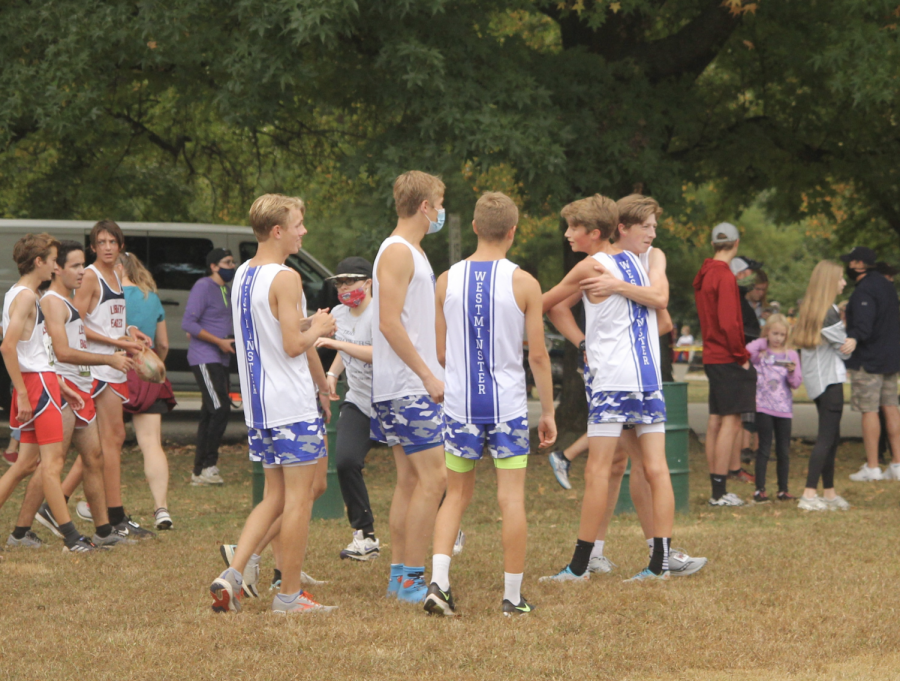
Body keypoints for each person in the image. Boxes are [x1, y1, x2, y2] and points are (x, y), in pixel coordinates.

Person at [545, 194, 706, 578]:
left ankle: (580, 566)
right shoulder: (639, 261)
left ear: (596, 232)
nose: (567, 234)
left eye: (572, 228)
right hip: (647, 377)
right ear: (622, 229)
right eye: (646, 226)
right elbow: (662, 314)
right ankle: (660, 565)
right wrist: (586, 340)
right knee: (656, 468)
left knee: (598, 471)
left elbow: (540, 303)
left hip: (613, 380)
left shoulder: (590, 266)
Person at [423, 192, 556, 617]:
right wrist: (549, 411)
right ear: (513, 232)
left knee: (455, 497)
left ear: (476, 228)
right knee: (510, 499)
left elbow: (441, 352)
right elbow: (537, 355)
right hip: (508, 409)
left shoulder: (446, 280)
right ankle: (512, 597)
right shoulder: (525, 283)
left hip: (461, 407)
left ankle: (439, 585)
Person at [209, 193, 337, 615]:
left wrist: (321, 379)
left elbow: (271, 331)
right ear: (278, 230)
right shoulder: (286, 278)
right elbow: (292, 343)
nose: (304, 231)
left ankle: (234, 573)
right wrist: (317, 325)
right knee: (299, 501)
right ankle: (289, 595)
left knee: (273, 498)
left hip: (260, 407)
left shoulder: (243, 273)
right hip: (290, 404)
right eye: (298, 224)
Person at [14, 240, 136, 548]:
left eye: (83, 265)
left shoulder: (67, 301)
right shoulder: (52, 301)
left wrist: (125, 338)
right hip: (61, 392)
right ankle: (21, 532)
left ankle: (104, 531)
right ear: (57, 268)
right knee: (48, 466)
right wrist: (109, 358)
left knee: (93, 458)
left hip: (79, 391)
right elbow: (64, 353)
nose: (83, 271)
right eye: (76, 266)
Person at [371, 171, 448, 603]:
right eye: (439, 203)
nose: (440, 211)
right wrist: (426, 374)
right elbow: (388, 321)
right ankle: (414, 579)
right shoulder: (399, 251)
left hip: (400, 385)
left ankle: (400, 577)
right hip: (407, 387)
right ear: (424, 206)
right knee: (434, 479)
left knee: (409, 482)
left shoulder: (411, 251)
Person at [0, 234, 96, 552]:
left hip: (41, 383)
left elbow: (34, 349)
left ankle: (20, 536)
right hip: (36, 386)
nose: (56, 265)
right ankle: (71, 537)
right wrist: (25, 394)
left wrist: (63, 386)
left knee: (26, 464)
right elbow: (8, 346)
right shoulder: (27, 296)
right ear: (39, 262)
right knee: (51, 465)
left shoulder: (19, 293)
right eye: (53, 259)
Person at [70, 221, 155, 538]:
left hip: (115, 363)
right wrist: (118, 343)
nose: (106, 246)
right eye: (100, 241)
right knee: (112, 440)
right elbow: (75, 323)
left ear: (120, 245)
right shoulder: (90, 275)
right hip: (98, 367)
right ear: (93, 246)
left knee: (108, 443)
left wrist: (130, 332)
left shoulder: (117, 274)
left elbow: (109, 321)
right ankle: (115, 517)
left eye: (112, 241)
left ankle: (56, 504)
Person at [315, 256, 382, 561]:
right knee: (345, 462)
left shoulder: (380, 312)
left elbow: (376, 354)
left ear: (368, 283)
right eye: (339, 282)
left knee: (423, 471)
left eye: (350, 281)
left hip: (392, 401)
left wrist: (336, 346)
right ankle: (365, 535)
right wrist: (332, 374)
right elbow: (346, 343)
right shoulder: (340, 313)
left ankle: (449, 520)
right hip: (358, 400)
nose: (343, 288)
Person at [693, 222, 757, 506]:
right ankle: (719, 493)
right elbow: (729, 322)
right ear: (736, 243)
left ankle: (717, 489)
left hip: (711, 355)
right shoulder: (725, 276)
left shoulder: (706, 273)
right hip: (727, 356)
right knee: (730, 423)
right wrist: (742, 357)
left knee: (717, 422)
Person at [117, 252, 176, 529]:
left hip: (116, 369)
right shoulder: (151, 297)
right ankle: (161, 508)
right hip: (147, 372)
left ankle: (100, 505)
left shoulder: (109, 294)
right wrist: (155, 364)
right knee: (152, 444)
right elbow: (162, 343)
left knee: (107, 444)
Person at [794, 261, 853, 511]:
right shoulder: (828, 312)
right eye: (840, 278)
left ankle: (828, 493)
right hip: (829, 381)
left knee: (832, 437)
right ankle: (809, 494)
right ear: (829, 281)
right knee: (827, 438)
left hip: (819, 381)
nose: (844, 282)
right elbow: (845, 350)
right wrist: (851, 341)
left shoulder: (814, 309)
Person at [840, 247, 900, 481]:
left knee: (869, 410)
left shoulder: (864, 290)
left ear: (857, 264)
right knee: (891, 406)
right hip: (891, 358)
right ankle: (897, 463)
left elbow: (863, 326)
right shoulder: (887, 286)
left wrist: (852, 337)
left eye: (849, 262)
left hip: (869, 359)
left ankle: (873, 466)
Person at [183, 247, 236, 486]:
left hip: (221, 358)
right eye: (226, 262)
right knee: (220, 407)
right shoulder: (203, 286)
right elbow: (189, 323)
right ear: (214, 266)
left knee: (209, 411)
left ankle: (199, 471)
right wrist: (219, 342)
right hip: (205, 357)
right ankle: (208, 466)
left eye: (233, 262)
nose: (231, 266)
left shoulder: (225, 289)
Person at [746, 314, 802, 503]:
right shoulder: (761, 354)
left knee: (783, 450)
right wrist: (763, 342)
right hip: (763, 407)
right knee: (763, 448)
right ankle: (760, 489)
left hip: (784, 409)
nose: (778, 338)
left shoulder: (791, 355)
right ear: (768, 332)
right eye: (774, 333)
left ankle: (783, 489)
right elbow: (747, 350)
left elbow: (796, 383)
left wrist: (793, 371)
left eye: (782, 334)